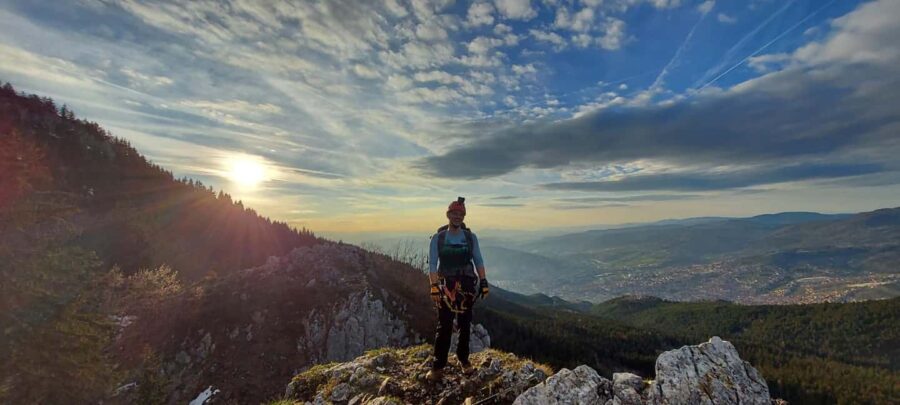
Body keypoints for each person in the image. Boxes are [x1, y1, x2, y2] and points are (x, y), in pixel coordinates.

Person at [426, 197, 489, 381]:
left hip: (467, 286)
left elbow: (478, 260)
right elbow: (432, 265)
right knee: (444, 325)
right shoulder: (438, 239)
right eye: (454, 213)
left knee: (465, 324)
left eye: (460, 214)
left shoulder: (470, 238)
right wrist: (434, 286)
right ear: (448, 215)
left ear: (464, 216)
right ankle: (438, 366)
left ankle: (464, 360)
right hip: (446, 286)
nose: (457, 217)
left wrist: (483, 281)